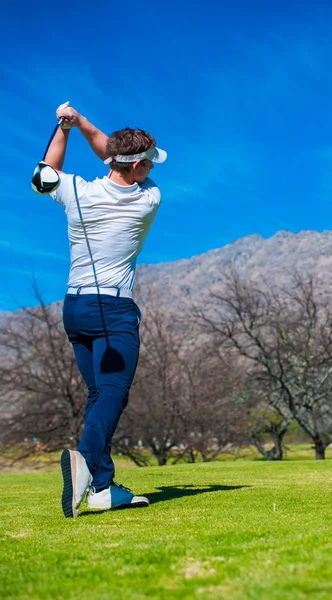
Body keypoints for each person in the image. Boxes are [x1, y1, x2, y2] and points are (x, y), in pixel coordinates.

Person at [44, 102, 167, 518]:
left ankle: (101, 486)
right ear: (136, 168)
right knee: (113, 392)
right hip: (113, 309)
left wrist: (67, 127)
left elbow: (45, 175)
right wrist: (81, 124)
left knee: (99, 394)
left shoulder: (76, 190)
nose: (152, 169)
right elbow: (113, 156)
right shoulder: (148, 198)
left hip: (74, 308)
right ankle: (84, 459)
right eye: (148, 163)